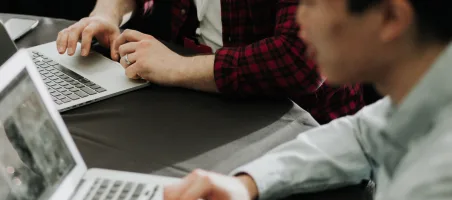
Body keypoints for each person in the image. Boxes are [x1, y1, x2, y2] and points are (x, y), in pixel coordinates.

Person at [83, 0, 452, 200]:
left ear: (390, 18)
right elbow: (362, 135)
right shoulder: (422, 94)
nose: (299, 23)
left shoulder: (433, 192)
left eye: (313, 3)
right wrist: (246, 184)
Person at [55, 0, 365, 124]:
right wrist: (106, 15)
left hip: (306, 127)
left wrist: (175, 67)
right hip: (207, 98)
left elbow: (301, 60)